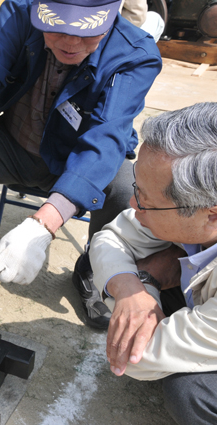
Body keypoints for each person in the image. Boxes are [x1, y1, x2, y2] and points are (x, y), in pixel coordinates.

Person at [0, 0, 162, 329]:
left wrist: (44, 224)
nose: (70, 43)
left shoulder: (135, 53)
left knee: (124, 189)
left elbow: (106, 139)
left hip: (77, 167)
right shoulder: (20, 12)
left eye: (87, 34)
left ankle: (93, 267)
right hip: (13, 147)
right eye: (57, 28)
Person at [87, 102, 217, 424]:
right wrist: (136, 286)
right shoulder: (198, 211)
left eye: (147, 201)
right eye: (139, 190)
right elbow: (110, 238)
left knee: (192, 391)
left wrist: (145, 282)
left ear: (211, 215)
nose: (134, 204)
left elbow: (135, 356)